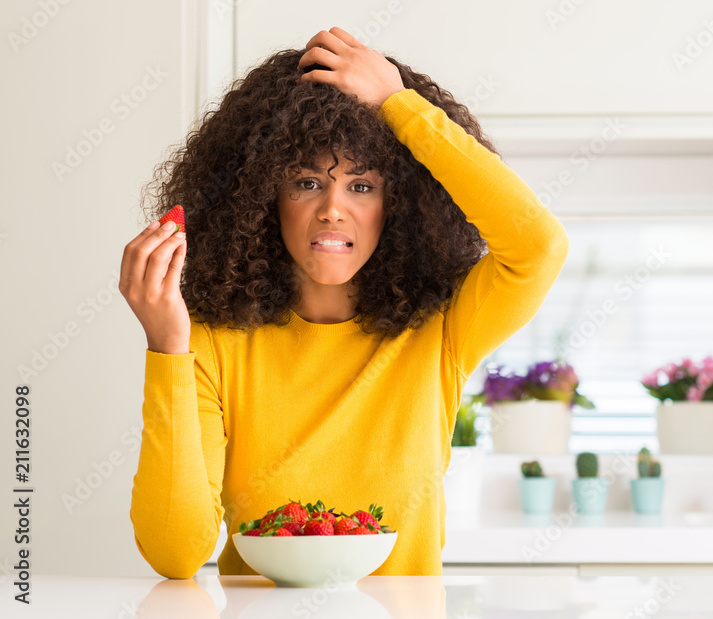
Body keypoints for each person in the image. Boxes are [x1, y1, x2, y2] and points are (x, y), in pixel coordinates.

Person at [119, 27, 568, 578]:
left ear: (397, 203)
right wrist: (167, 347)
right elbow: (176, 553)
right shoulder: (213, 341)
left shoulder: (444, 327)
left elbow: (539, 246)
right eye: (306, 183)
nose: (333, 210)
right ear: (263, 198)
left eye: (362, 186)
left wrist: (398, 105)